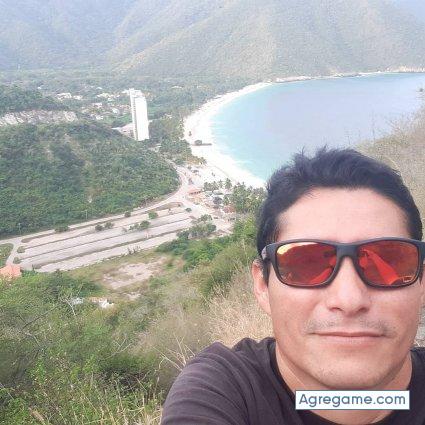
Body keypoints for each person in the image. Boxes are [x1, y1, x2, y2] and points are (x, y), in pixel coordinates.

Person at [161, 147, 425, 425]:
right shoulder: (224, 390)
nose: (349, 299)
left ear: (421, 283)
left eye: (387, 261)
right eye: (306, 264)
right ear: (263, 286)